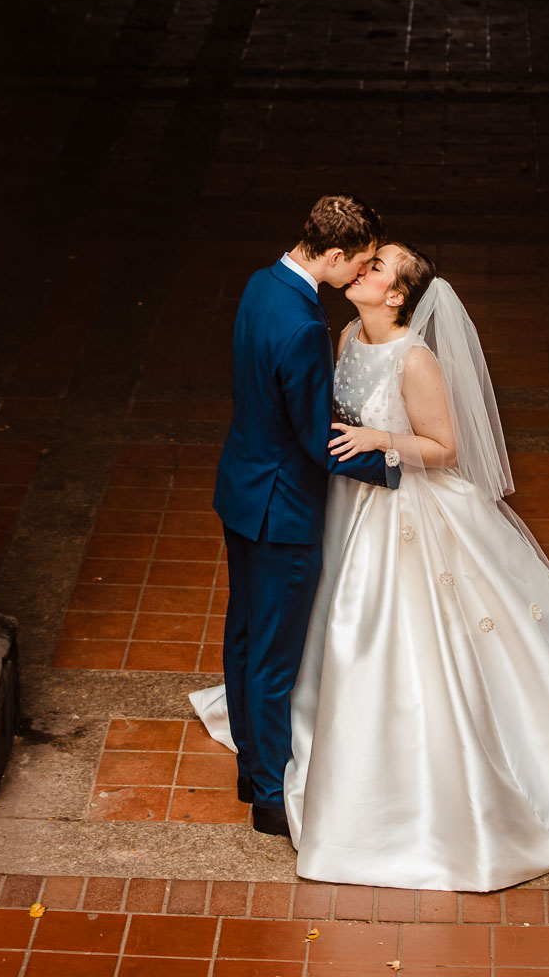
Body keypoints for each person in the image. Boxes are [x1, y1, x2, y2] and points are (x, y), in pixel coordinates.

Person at [192, 245, 549, 887]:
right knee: (328, 620)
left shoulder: (415, 359)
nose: (360, 272)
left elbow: (444, 448)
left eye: (376, 269)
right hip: (346, 506)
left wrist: (380, 441)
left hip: (405, 508)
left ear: (396, 297)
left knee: (406, 632)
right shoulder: (342, 335)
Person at [201, 198, 398, 837]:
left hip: (241, 488)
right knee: (275, 656)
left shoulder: (263, 284)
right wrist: (392, 467)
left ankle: (248, 767)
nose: (359, 276)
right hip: (283, 508)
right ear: (334, 254)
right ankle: (267, 796)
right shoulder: (306, 327)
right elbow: (318, 440)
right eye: (361, 263)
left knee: (244, 635)